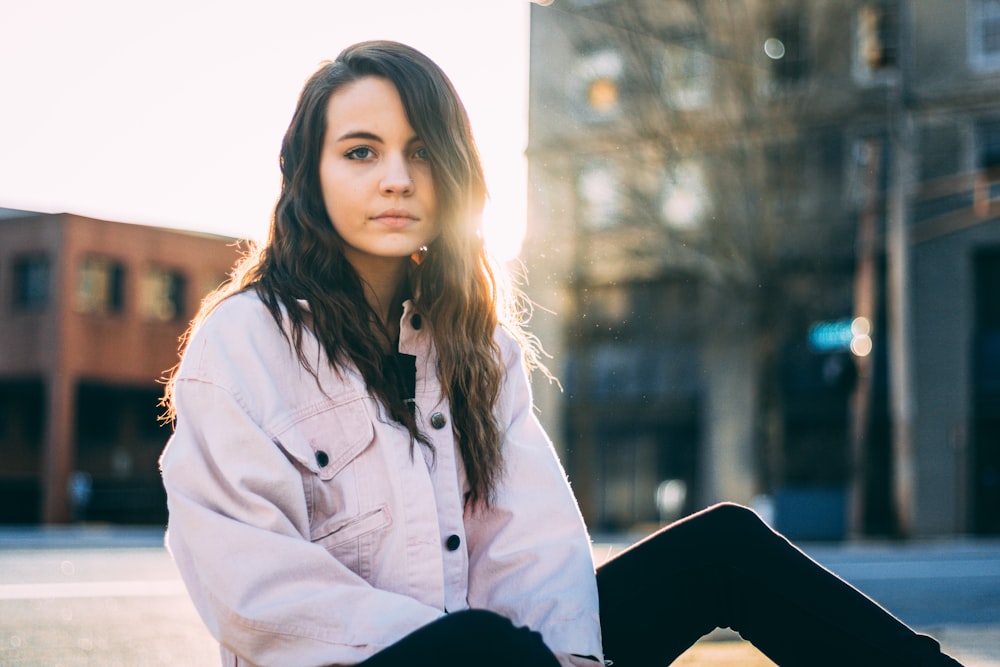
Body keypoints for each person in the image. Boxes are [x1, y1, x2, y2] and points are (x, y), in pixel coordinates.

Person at [159, 40, 963, 667]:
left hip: (498, 657)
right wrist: (480, 649)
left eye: (423, 151)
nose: (397, 179)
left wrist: (563, 655)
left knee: (724, 545)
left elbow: (533, 541)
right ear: (311, 171)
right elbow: (252, 588)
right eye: (362, 152)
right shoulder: (243, 343)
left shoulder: (475, 347)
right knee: (475, 645)